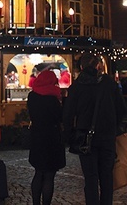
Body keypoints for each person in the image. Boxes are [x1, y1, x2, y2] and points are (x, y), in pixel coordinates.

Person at [63, 53, 127, 205]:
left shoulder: (77, 87)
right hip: (107, 136)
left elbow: (67, 115)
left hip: (85, 137)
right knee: (106, 177)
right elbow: (122, 109)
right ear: (98, 66)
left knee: (90, 178)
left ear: (81, 67)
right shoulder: (109, 83)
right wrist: (114, 127)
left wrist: (69, 135)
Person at [27, 70, 65, 205]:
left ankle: (36, 203)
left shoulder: (32, 96)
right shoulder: (53, 98)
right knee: (49, 176)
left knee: (38, 172)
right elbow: (60, 118)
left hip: (37, 137)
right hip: (52, 138)